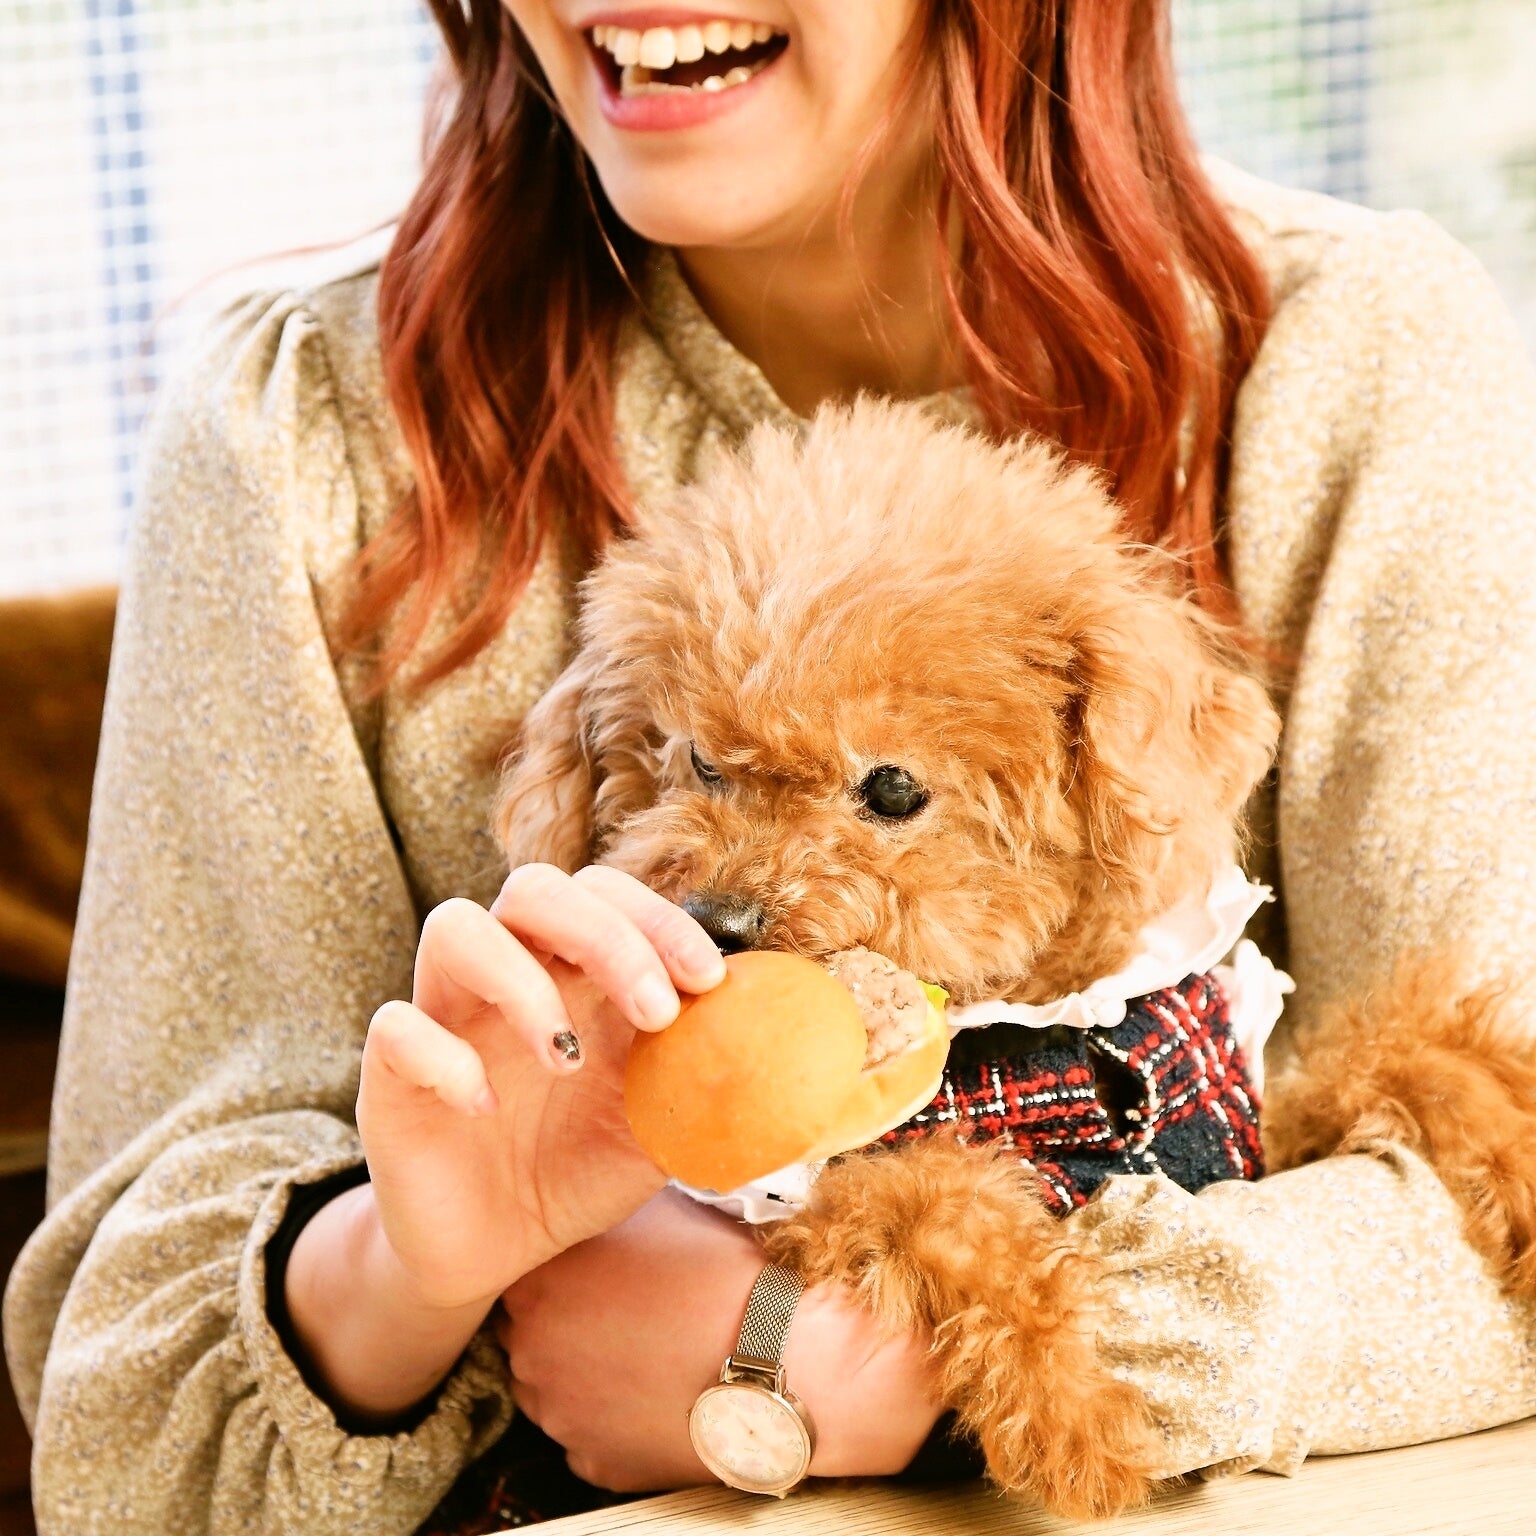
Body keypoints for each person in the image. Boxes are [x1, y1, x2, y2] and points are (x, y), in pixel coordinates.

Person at [6, 2, 1536, 1532]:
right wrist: (412, 1272)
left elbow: (1503, 1179)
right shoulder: (301, 428)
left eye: (887, 794)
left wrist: (876, 1365)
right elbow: (120, 1444)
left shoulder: (1352, 362)